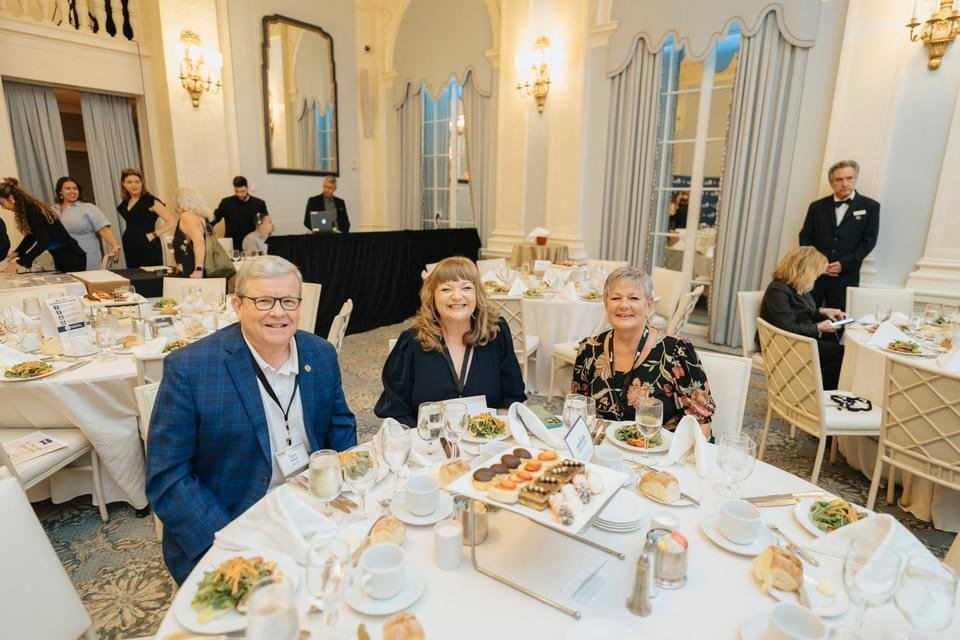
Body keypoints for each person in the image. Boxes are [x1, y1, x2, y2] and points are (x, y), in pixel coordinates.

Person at [146, 255, 357, 583]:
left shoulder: (320, 354)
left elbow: (340, 424)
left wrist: (344, 486)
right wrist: (228, 542)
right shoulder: (191, 369)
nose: (278, 312)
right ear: (237, 304)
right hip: (235, 517)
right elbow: (168, 477)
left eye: (288, 301)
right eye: (263, 301)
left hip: (313, 504)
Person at [374, 256, 526, 426]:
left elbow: (512, 395)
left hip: (487, 443)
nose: (457, 296)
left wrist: (498, 429)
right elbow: (396, 410)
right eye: (446, 289)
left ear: (477, 294)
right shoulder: (412, 343)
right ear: (432, 297)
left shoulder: (496, 334)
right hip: (429, 443)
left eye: (466, 288)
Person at [571, 266, 715, 434]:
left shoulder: (676, 351)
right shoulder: (588, 350)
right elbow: (578, 411)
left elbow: (701, 423)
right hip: (606, 450)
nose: (624, 305)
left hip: (663, 453)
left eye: (633, 298)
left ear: (648, 304)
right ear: (605, 304)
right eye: (616, 298)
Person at [759, 246, 846, 390]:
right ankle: (818, 397)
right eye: (816, 273)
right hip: (781, 344)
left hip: (796, 340)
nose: (817, 277)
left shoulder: (797, 287)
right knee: (841, 353)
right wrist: (818, 327)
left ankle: (815, 392)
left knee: (836, 346)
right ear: (805, 270)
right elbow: (787, 328)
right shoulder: (778, 289)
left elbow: (802, 312)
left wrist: (824, 312)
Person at [799, 160, 880, 311]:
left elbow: (869, 241)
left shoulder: (871, 207)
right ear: (831, 182)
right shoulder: (817, 207)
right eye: (839, 179)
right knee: (806, 314)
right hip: (815, 275)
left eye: (849, 178)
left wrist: (844, 264)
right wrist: (818, 264)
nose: (845, 183)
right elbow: (805, 237)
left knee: (837, 322)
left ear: (855, 179)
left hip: (846, 276)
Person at [0, 177, 86, 273]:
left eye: (2, 203)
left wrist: (22, 262)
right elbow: (32, 235)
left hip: (72, 257)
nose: (3, 207)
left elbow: (44, 242)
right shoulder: (28, 209)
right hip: (62, 255)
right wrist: (18, 252)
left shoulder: (32, 210)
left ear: (11, 198)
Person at [54, 176, 121, 270]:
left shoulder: (88, 208)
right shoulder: (52, 210)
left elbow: (103, 229)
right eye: (68, 188)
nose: (72, 191)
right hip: (62, 259)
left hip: (86, 258)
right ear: (60, 192)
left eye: (75, 188)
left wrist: (115, 245)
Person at [116, 168, 176, 268]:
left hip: (147, 243)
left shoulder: (150, 200)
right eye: (129, 182)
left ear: (142, 183)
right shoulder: (125, 202)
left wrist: (153, 235)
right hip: (129, 243)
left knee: (151, 277)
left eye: (137, 182)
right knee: (135, 276)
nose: (134, 185)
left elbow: (172, 221)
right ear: (123, 184)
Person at [212, 176, 268, 249]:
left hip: (252, 244)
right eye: (237, 191)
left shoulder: (259, 204)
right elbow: (215, 218)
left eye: (242, 191)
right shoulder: (226, 203)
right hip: (232, 245)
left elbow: (265, 224)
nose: (240, 194)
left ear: (247, 188)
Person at [172, 187, 213, 278]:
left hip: (193, 270)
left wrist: (198, 270)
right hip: (205, 268)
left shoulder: (187, 216)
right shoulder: (201, 217)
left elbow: (199, 242)